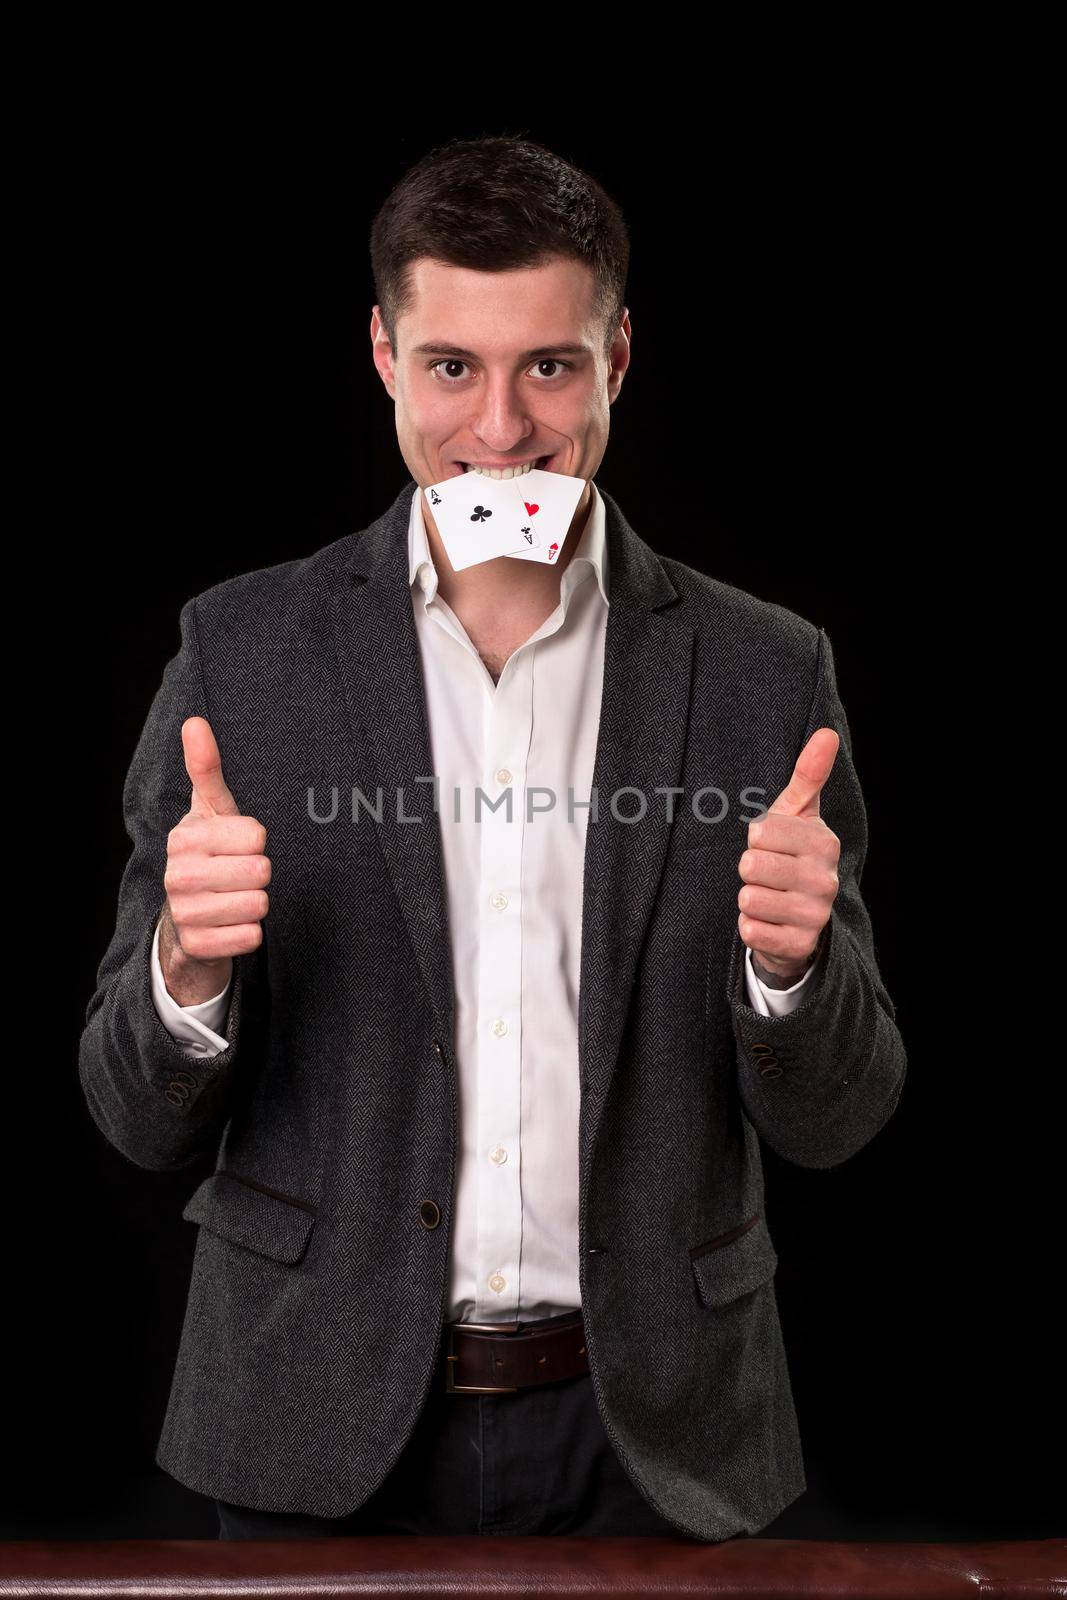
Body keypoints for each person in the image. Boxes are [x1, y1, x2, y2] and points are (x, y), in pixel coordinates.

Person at [79, 134, 907, 1544]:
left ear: (620, 356)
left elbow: (838, 1120)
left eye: (551, 366)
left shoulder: (768, 672)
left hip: (661, 1443)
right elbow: (132, 1112)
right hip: (308, 1422)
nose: (505, 428)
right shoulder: (240, 650)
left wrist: (790, 971)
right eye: (454, 364)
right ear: (385, 357)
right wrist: (185, 973)